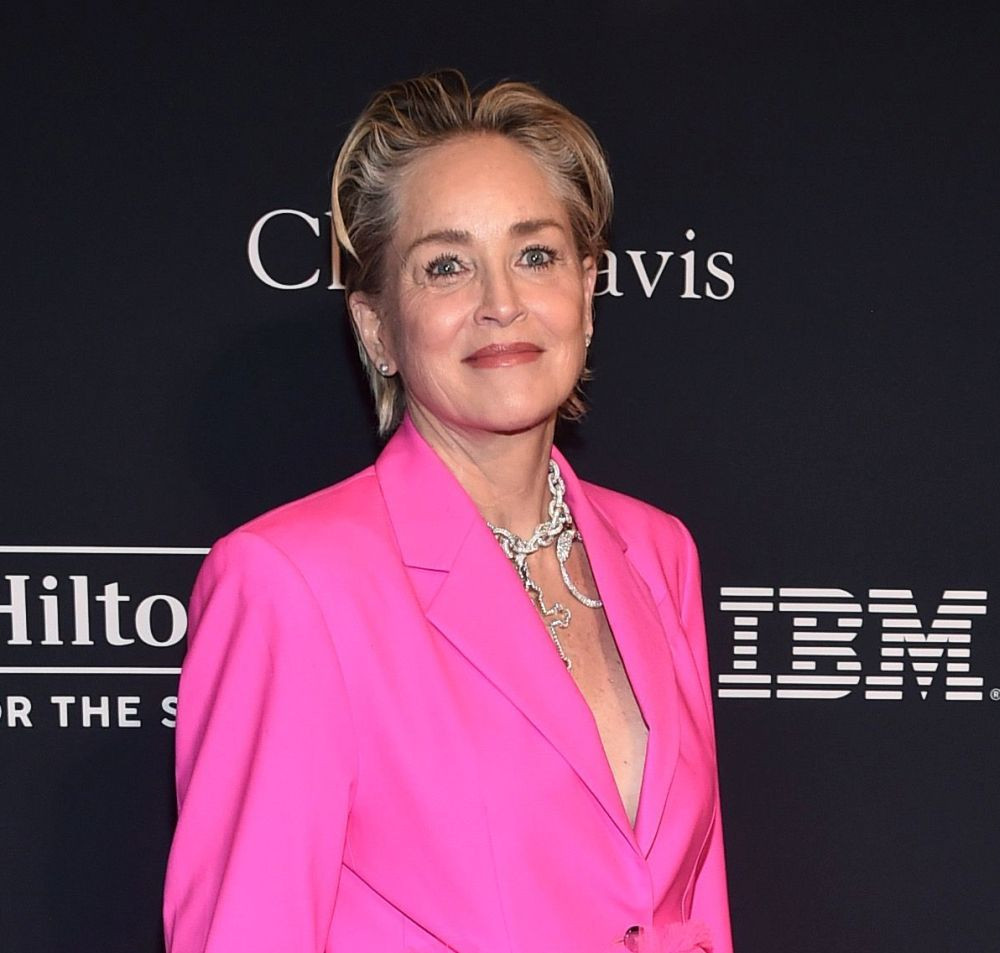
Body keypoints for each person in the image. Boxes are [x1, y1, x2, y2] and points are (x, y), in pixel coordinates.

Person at [163, 70, 732, 953]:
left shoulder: (659, 552)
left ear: (587, 291)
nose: (502, 301)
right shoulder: (291, 584)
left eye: (536, 255)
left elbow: (694, 907)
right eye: (446, 266)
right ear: (377, 329)